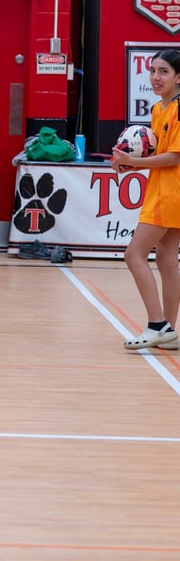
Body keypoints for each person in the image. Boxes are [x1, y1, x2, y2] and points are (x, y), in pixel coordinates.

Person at [112, 48, 180, 351]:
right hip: (164, 190)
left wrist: (135, 163)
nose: (155, 77)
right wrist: (131, 162)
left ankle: (156, 325)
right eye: (153, 70)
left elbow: (175, 156)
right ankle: (170, 330)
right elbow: (155, 153)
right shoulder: (158, 109)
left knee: (133, 255)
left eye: (163, 71)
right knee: (166, 260)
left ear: (179, 77)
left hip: (170, 194)